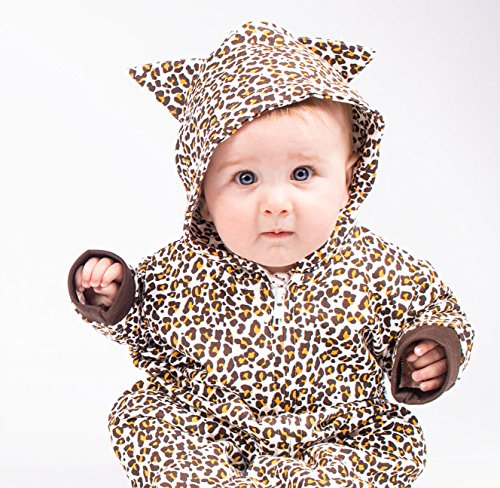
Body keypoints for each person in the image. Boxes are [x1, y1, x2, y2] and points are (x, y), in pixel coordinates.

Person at [67, 20, 474, 487]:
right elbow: (141, 318)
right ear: (203, 197)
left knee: (393, 447)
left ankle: (307, 481)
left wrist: (431, 350)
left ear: (348, 180)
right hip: (214, 422)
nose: (276, 203)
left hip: (339, 428)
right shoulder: (185, 266)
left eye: (302, 174)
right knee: (141, 414)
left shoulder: (377, 267)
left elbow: (435, 310)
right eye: (245, 178)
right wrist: (112, 293)